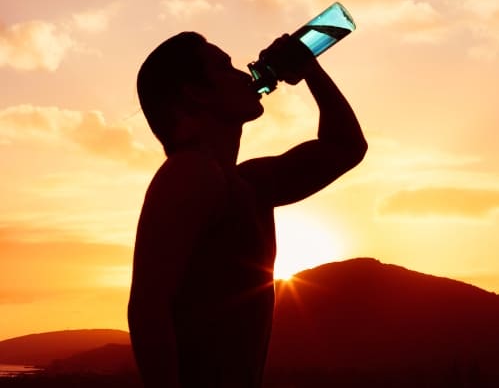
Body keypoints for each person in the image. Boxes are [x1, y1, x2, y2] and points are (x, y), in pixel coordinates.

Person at [128, 31, 367, 388]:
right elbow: (148, 310)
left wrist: (309, 68)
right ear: (196, 92)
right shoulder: (190, 173)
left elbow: (346, 146)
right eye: (225, 68)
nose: (244, 74)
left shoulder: (248, 184)